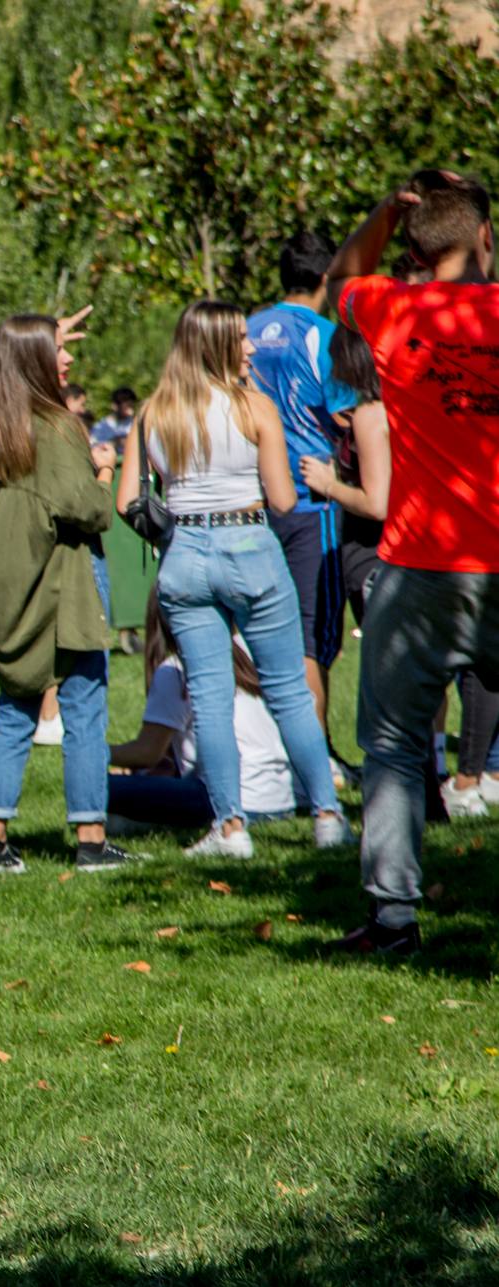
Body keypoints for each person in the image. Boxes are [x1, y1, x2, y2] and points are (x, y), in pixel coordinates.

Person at [329, 169, 499, 953]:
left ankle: (391, 918)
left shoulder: (390, 310)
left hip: (420, 563)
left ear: (414, 243)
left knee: (395, 744)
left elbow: (341, 273)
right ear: (483, 239)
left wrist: (384, 211)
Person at [117, 299, 350, 860]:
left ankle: (229, 827)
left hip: (185, 556)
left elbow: (128, 500)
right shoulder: (254, 407)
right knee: (289, 690)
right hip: (250, 545)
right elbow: (284, 499)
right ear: (218, 344)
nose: (250, 347)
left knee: (211, 701)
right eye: (242, 338)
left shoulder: (153, 413)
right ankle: (327, 815)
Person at [0, 312, 137, 874]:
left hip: (11, 587)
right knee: (85, 707)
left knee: (14, 707)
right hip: (66, 587)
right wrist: (105, 472)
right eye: (57, 351)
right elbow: (88, 510)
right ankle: (91, 839)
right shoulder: (58, 427)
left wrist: (42, 329)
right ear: (35, 360)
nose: (67, 360)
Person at [249, 232, 361, 757]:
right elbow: (345, 415)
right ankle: (315, 760)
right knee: (311, 640)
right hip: (312, 503)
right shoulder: (323, 335)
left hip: (255, 500)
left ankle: (281, 749)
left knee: (268, 630)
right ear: (325, 278)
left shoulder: (246, 330)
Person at [108, 586, 296, 832]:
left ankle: (136, 824)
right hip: (281, 800)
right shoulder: (245, 649)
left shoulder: (175, 668)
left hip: (228, 802)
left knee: (99, 787)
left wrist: (93, 755)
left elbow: (147, 752)